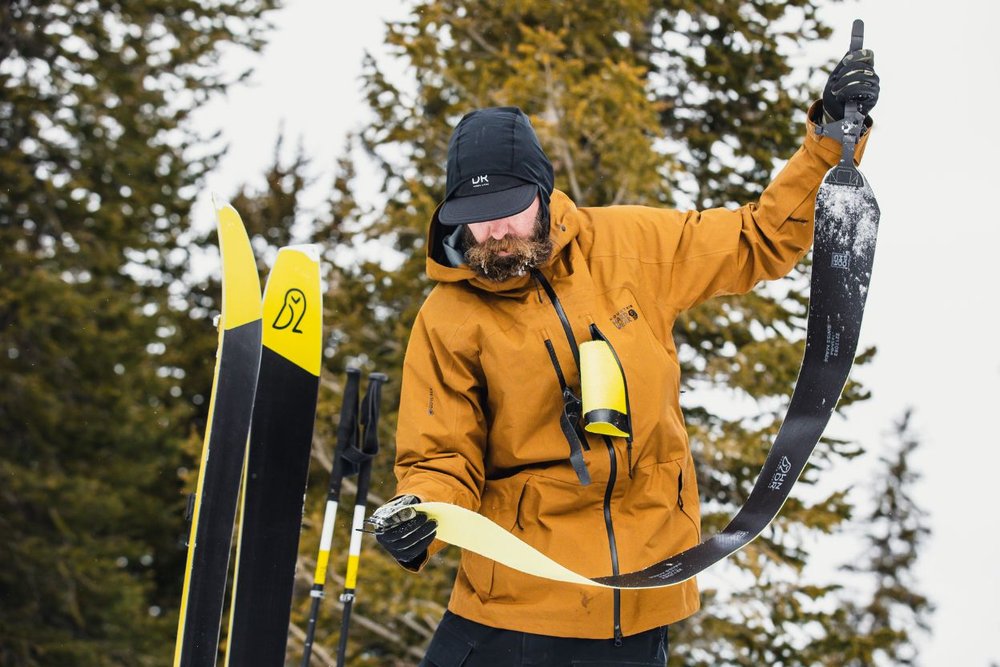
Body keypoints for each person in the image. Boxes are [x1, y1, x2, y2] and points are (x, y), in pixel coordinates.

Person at [371, 47, 879, 666]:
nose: (495, 234)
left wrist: (828, 140)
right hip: (517, 609)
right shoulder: (448, 317)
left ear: (543, 193)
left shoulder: (630, 246)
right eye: (477, 220)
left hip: (641, 601)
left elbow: (759, 238)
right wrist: (420, 514)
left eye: (508, 212)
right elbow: (439, 456)